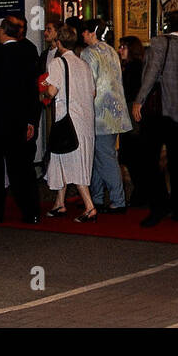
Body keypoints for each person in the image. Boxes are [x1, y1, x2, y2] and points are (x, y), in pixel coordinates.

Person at [133, 10, 178, 227]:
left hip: (157, 113)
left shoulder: (159, 43)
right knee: (176, 162)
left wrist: (139, 100)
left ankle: (158, 206)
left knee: (149, 161)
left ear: (166, 26)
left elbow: (152, 72)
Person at [0, 16, 41, 224]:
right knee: (21, 168)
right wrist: (32, 120)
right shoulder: (29, 56)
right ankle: (30, 211)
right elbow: (33, 91)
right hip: (19, 120)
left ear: (3, 32)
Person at [43, 26, 99, 222]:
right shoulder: (84, 64)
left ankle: (90, 207)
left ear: (58, 43)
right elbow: (92, 93)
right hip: (85, 121)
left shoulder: (58, 63)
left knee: (73, 164)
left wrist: (41, 92)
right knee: (64, 162)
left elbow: (51, 91)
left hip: (68, 121)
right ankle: (59, 203)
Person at [81, 20, 132, 214]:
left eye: (84, 32)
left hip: (98, 114)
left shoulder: (88, 53)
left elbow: (89, 86)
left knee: (104, 157)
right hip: (115, 112)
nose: (82, 36)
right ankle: (97, 198)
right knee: (100, 156)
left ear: (91, 33)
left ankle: (118, 200)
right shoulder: (111, 51)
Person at [117, 36, 146, 206]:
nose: (120, 50)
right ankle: (140, 193)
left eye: (123, 47)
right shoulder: (132, 67)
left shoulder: (134, 68)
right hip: (131, 116)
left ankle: (140, 194)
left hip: (132, 116)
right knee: (133, 157)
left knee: (133, 157)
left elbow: (129, 92)